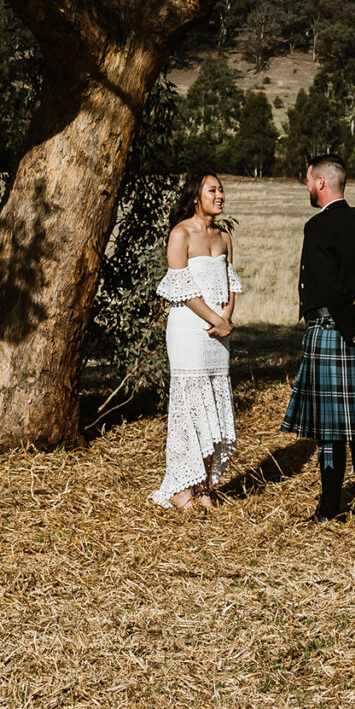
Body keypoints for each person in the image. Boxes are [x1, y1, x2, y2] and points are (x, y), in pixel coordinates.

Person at [280, 154, 355, 519]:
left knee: (330, 428)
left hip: (332, 331)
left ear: (321, 183)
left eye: (309, 180)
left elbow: (329, 287)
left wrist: (354, 329)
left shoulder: (318, 227)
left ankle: (330, 507)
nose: (308, 187)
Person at [151, 164, 241, 511]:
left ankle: (203, 486)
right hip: (190, 330)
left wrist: (226, 320)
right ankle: (179, 487)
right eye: (212, 191)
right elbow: (182, 289)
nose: (219, 196)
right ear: (195, 198)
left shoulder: (223, 237)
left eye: (221, 190)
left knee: (214, 405)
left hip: (219, 334)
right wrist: (215, 319)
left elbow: (231, 284)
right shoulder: (180, 234)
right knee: (190, 405)